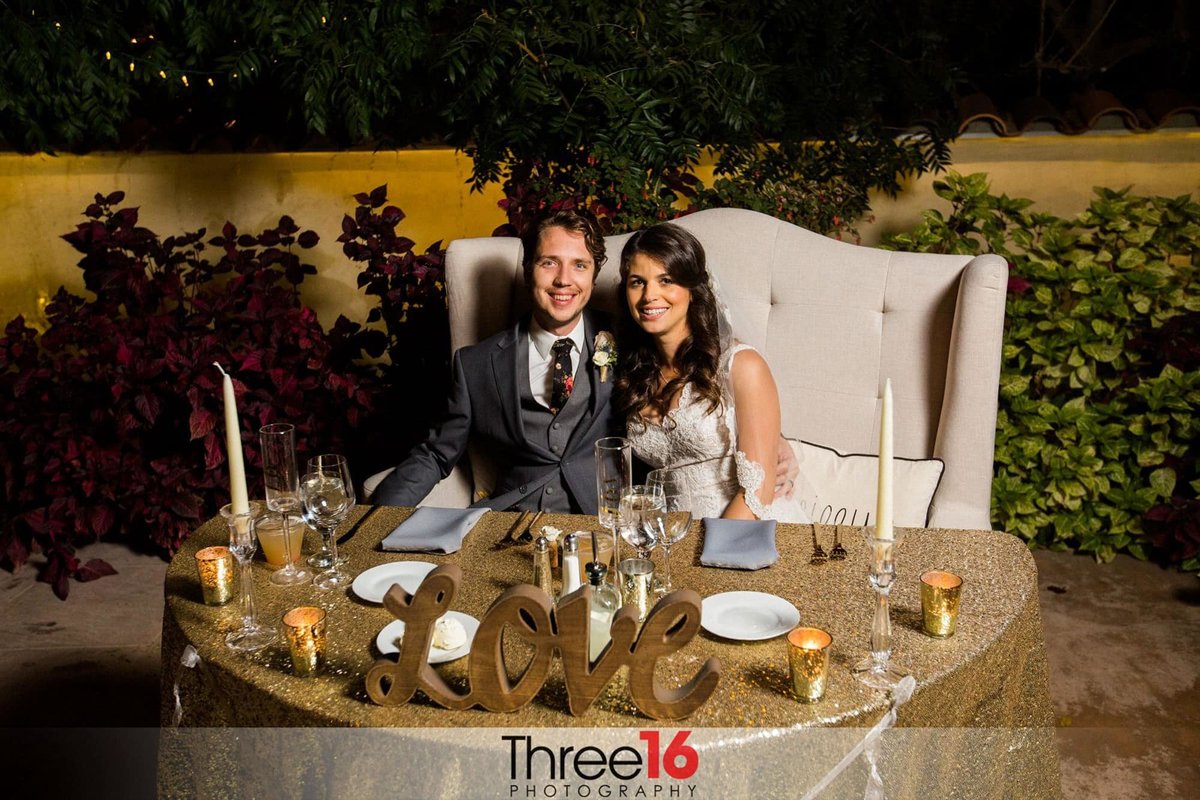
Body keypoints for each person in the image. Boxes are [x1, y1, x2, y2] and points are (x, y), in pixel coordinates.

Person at [373, 208, 618, 512]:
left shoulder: (626, 339)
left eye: (579, 265)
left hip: (603, 524)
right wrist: (373, 519)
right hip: (509, 523)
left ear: (594, 276)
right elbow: (437, 453)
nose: (563, 280)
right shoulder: (475, 364)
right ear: (528, 270)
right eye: (549, 262)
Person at [614, 222, 811, 522]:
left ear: (693, 290)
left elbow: (756, 495)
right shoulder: (634, 372)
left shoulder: (741, 365)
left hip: (744, 533)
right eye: (637, 282)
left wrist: (705, 558)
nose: (649, 296)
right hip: (671, 537)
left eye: (666, 280)